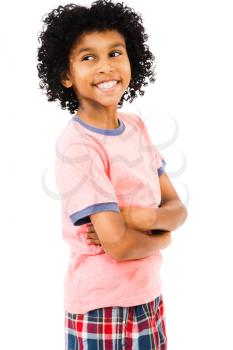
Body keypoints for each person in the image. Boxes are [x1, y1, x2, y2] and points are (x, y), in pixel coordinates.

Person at [37, 1, 188, 349]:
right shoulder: (78, 146)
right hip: (101, 306)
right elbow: (117, 245)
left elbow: (178, 208)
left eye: (115, 53)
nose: (106, 67)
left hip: (148, 295)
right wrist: (163, 238)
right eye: (88, 57)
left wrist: (145, 217)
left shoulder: (136, 127)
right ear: (65, 74)